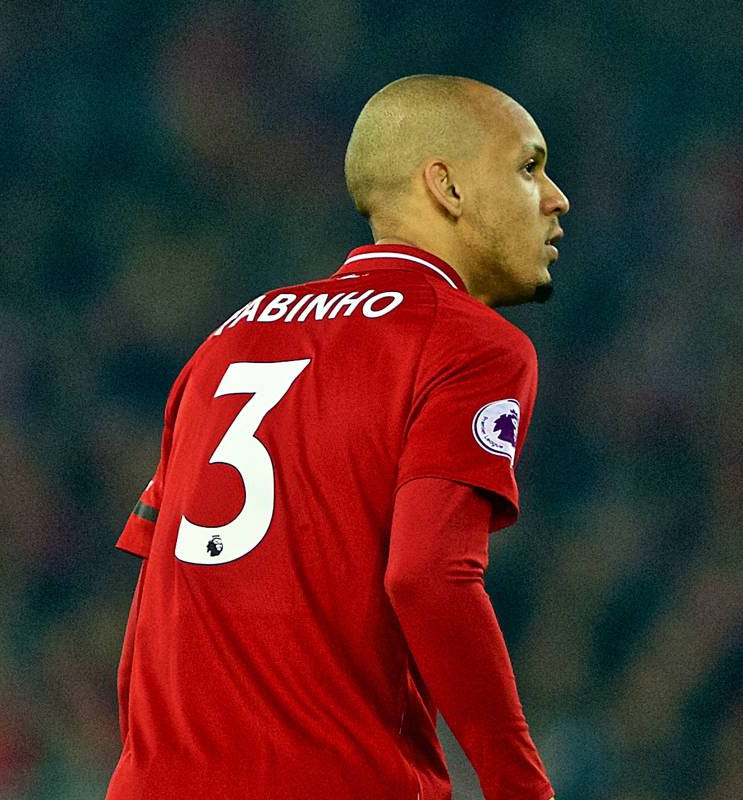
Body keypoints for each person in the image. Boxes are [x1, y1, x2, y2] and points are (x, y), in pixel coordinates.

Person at [106, 74, 569, 800]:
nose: (554, 197)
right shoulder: (472, 345)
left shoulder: (228, 339)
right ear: (444, 186)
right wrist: (520, 785)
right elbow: (428, 576)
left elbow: (157, 593)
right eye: (529, 167)